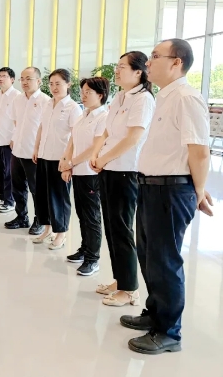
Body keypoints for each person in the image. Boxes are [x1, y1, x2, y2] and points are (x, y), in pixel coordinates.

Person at [120, 39, 213, 354]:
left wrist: (198, 190)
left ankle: (169, 332)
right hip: (151, 186)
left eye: (156, 56)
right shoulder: (165, 97)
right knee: (149, 256)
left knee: (165, 260)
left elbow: (199, 151)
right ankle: (155, 313)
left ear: (177, 62)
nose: (149, 62)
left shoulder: (186, 98)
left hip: (171, 190)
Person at [90, 51, 155, 307]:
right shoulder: (120, 96)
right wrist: (96, 154)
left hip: (126, 171)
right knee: (111, 227)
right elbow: (107, 131)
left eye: (122, 67)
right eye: (117, 66)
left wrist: (104, 159)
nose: (116, 71)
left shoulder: (143, 99)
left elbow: (133, 138)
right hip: (108, 167)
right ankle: (121, 279)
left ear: (138, 72)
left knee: (122, 229)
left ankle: (130, 290)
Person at [60, 77, 109, 276]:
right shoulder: (84, 114)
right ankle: (84, 248)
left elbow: (93, 148)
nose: (84, 95)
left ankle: (92, 259)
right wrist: (66, 162)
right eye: (82, 92)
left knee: (91, 216)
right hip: (78, 171)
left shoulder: (103, 117)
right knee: (81, 214)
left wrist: (72, 162)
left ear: (101, 95)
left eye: (88, 92)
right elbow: (73, 141)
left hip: (90, 173)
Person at [32, 69, 82, 249]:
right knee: (43, 195)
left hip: (59, 159)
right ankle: (47, 229)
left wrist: (68, 160)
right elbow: (41, 127)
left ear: (68, 84)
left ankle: (61, 234)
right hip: (44, 155)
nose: (54, 87)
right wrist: (36, 148)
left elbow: (76, 135)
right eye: (51, 84)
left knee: (59, 197)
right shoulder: (47, 103)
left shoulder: (73, 108)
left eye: (58, 84)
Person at [5, 67, 50, 232]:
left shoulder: (46, 101)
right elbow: (16, 122)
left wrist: (39, 149)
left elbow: (46, 128)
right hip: (17, 149)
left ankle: (40, 220)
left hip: (34, 152)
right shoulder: (18, 99)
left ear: (39, 81)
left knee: (37, 189)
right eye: (22, 79)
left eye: (28, 79)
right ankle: (22, 217)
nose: (24, 82)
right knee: (17, 187)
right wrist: (14, 138)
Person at [0, 67, 21, 213]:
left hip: (9, 141)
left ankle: (10, 201)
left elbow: (18, 120)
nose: (0, 79)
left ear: (12, 79)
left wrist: (14, 138)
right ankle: (2, 197)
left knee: (9, 172)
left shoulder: (16, 96)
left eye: (4, 76)